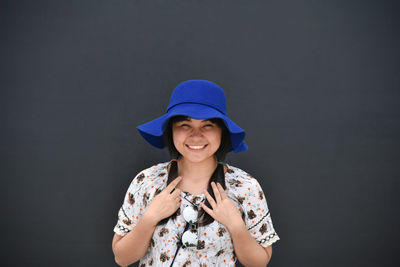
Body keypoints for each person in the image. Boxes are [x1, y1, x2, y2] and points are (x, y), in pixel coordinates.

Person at [112, 80, 280, 267]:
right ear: (171, 130)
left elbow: (259, 263)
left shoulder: (246, 187)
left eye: (208, 125)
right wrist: (150, 218)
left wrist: (236, 226)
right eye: (185, 124)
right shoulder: (147, 181)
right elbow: (122, 258)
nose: (196, 136)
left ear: (222, 132)